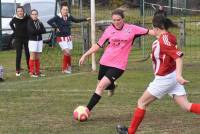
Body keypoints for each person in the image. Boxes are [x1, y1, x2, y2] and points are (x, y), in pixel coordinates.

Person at [116, 14, 200, 134]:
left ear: (157, 28)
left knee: (141, 102)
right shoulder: (169, 37)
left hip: (165, 79)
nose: (152, 30)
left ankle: (130, 132)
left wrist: (179, 75)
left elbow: (178, 57)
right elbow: (168, 54)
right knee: (186, 106)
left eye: (153, 28)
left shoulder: (163, 41)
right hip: (170, 77)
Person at [79, 9, 155, 119]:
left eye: (118, 20)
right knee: (101, 84)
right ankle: (113, 86)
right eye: (114, 20)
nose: (116, 22)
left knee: (100, 86)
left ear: (123, 19)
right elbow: (98, 44)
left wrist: (162, 35)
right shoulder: (109, 30)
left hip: (119, 65)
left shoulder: (132, 29)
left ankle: (87, 110)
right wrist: (86, 54)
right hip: (105, 62)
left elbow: (149, 31)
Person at [47, 2, 90, 74]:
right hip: (61, 38)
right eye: (64, 9)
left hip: (68, 38)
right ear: (61, 10)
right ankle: (64, 68)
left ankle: (68, 67)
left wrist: (86, 19)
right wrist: (56, 27)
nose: (65, 11)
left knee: (68, 53)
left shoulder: (69, 16)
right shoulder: (57, 17)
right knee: (67, 52)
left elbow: (76, 20)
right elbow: (49, 22)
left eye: (66, 10)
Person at [9, 6, 30, 77]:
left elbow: (31, 22)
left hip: (26, 38)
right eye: (18, 11)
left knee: (28, 54)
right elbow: (10, 24)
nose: (20, 12)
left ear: (23, 11)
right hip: (18, 38)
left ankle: (30, 68)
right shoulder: (15, 18)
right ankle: (17, 70)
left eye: (21, 11)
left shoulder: (27, 17)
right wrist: (15, 31)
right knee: (19, 54)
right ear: (17, 12)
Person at [27, 9, 46, 77]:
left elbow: (44, 30)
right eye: (33, 14)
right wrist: (39, 31)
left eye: (36, 14)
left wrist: (37, 31)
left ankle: (37, 71)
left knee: (37, 57)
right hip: (32, 41)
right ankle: (32, 72)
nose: (34, 15)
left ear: (37, 15)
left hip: (39, 41)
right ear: (31, 15)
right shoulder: (29, 22)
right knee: (32, 57)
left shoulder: (39, 22)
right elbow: (32, 32)